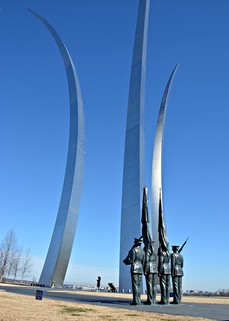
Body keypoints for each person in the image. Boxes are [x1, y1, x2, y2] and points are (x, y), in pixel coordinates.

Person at [123, 237, 145, 305]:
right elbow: (143, 262)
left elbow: (132, 261)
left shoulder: (134, 250)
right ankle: (138, 300)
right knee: (139, 285)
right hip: (140, 268)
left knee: (135, 285)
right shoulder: (143, 251)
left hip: (135, 268)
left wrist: (126, 262)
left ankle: (135, 301)